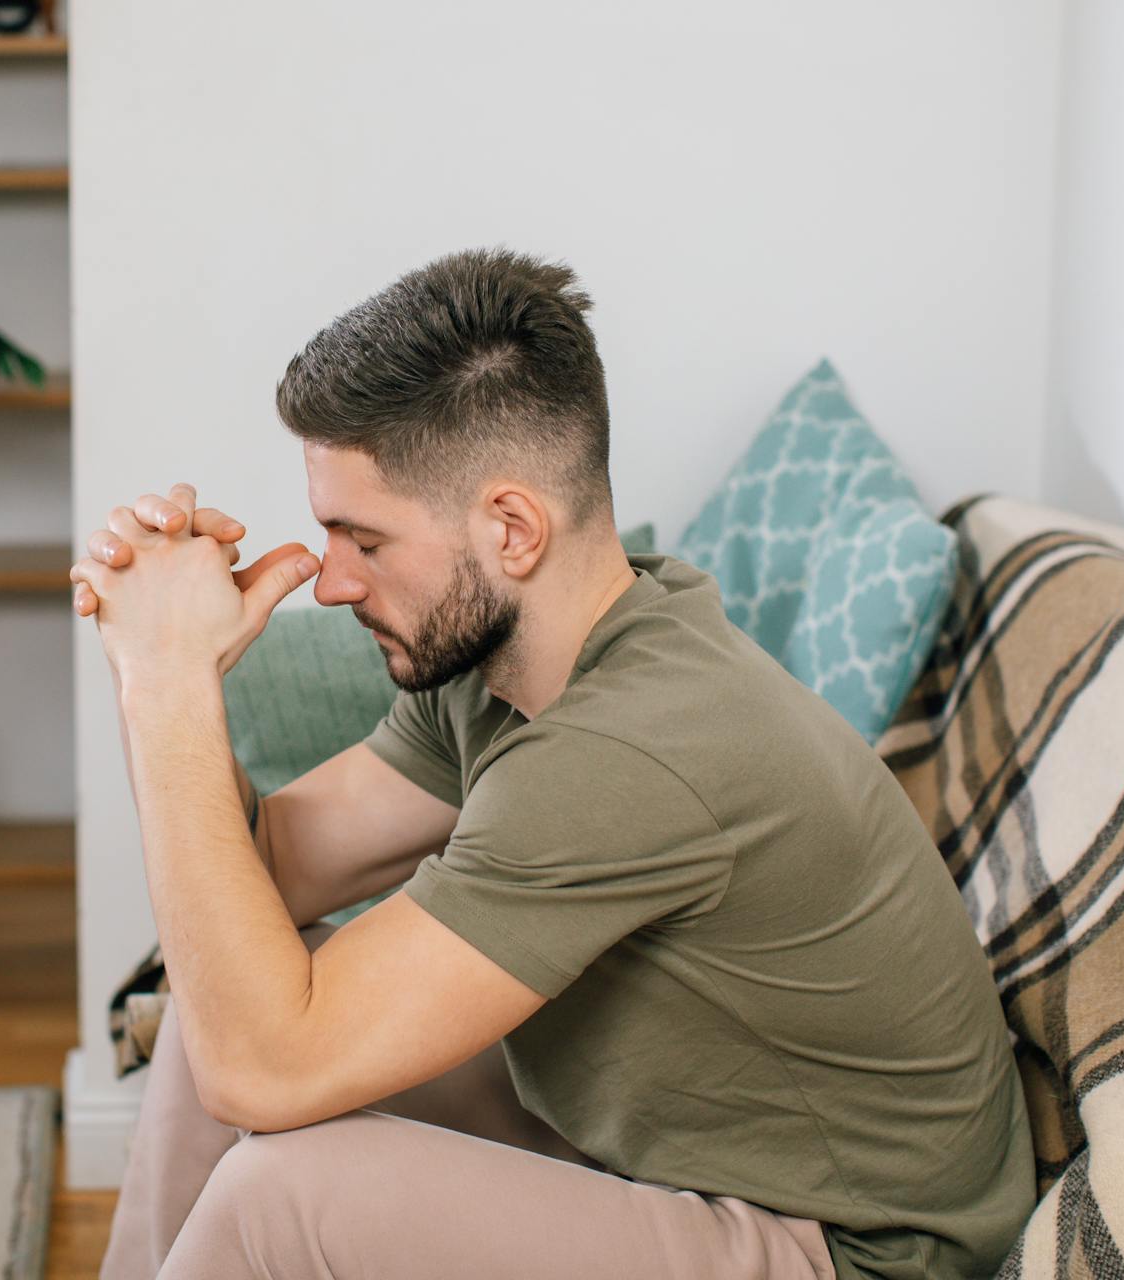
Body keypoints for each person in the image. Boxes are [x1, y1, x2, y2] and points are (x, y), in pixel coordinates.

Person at [67, 247, 1036, 1280]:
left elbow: (263, 1065)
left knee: (277, 1186)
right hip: (666, 1144)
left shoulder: (621, 752)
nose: (332, 582)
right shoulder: (518, 662)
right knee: (231, 976)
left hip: (847, 1246)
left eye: (365, 540)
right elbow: (262, 875)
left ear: (512, 528)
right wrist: (166, 669)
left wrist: (163, 683)